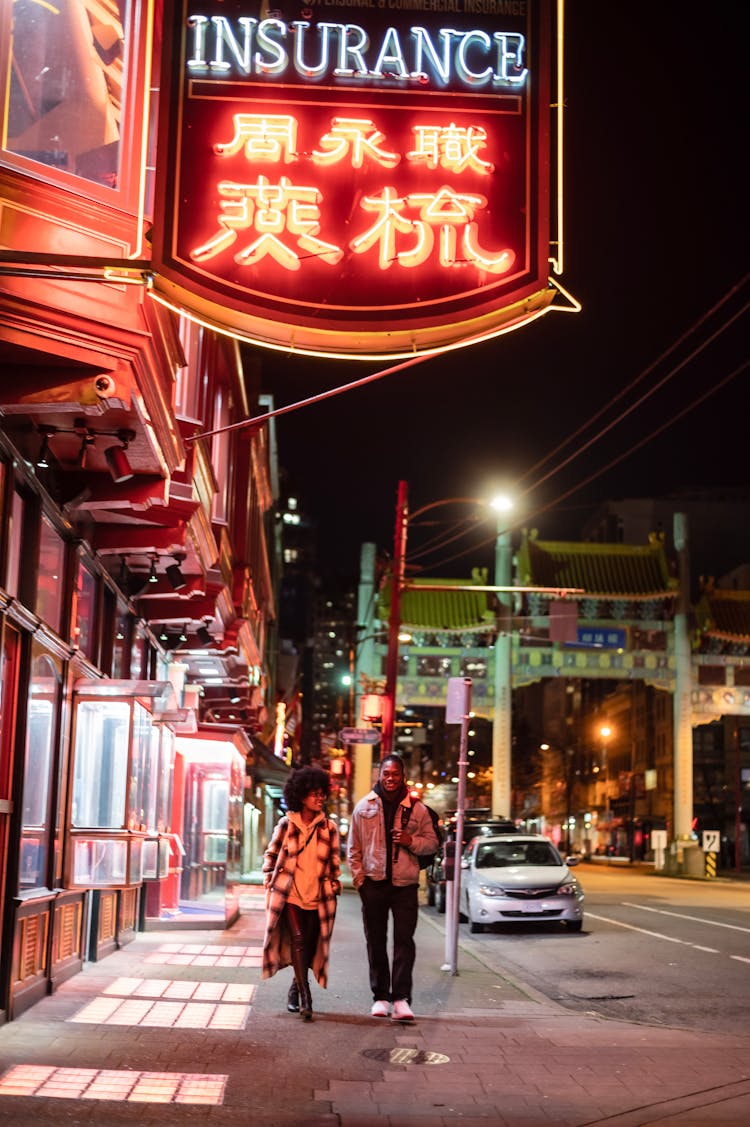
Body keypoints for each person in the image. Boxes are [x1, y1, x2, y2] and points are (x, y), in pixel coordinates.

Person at [347, 753, 438, 1022]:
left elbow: (432, 843)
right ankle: (380, 998)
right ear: (379, 774)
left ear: (403, 776)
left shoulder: (417, 809)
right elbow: (353, 849)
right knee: (375, 942)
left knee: (404, 943)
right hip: (373, 884)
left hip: (405, 886)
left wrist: (411, 840)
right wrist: (359, 880)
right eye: (386, 774)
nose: (390, 778)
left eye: (395, 774)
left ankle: (401, 999)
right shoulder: (364, 807)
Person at [262, 766, 341, 1021]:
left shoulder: (329, 828)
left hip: (318, 897)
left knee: (308, 945)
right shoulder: (287, 824)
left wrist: (334, 884)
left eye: (322, 794)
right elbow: (272, 854)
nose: (320, 798)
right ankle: (306, 996)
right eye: (314, 794)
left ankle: (295, 989)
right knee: (297, 938)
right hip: (290, 895)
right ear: (301, 795)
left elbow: (334, 864)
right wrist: (268, 878)